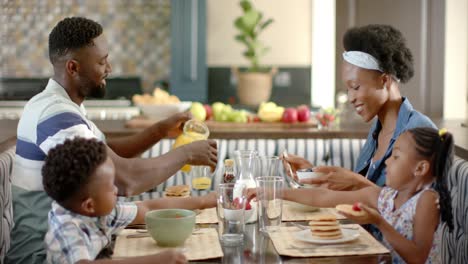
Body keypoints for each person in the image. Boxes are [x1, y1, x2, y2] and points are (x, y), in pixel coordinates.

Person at [7, 17, 217, 264]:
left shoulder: (62, 106)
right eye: (101, 62)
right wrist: (187, 153)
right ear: (73, 68)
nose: (109, 69)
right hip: (42, 256)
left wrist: (159, 130)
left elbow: (108, 156)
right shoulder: (56, 116)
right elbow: (124, 179)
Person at [284, 24, 436, 190]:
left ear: (384, 81)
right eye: (348, 89)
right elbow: (360, 198)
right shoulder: (377, 131)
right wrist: (317, 176)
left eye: (355, 87)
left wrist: (357, 184)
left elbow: (412, 208)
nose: (350, 98)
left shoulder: (420, 131)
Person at [269, 128, 454, 263]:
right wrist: (274, 193)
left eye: (396, 157)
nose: (388, 162)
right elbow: (324, 197)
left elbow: (417, 257)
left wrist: (378, 221)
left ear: (420, 168)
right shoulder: (387, 197)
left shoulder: (427, 200)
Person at [42, 137, 216, 263]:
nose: (116, 190)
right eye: (111, 186)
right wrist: (154, 260)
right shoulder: (66, 228)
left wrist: (204, 201)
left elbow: (147, 209)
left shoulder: (98, 209)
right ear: (89, 205)